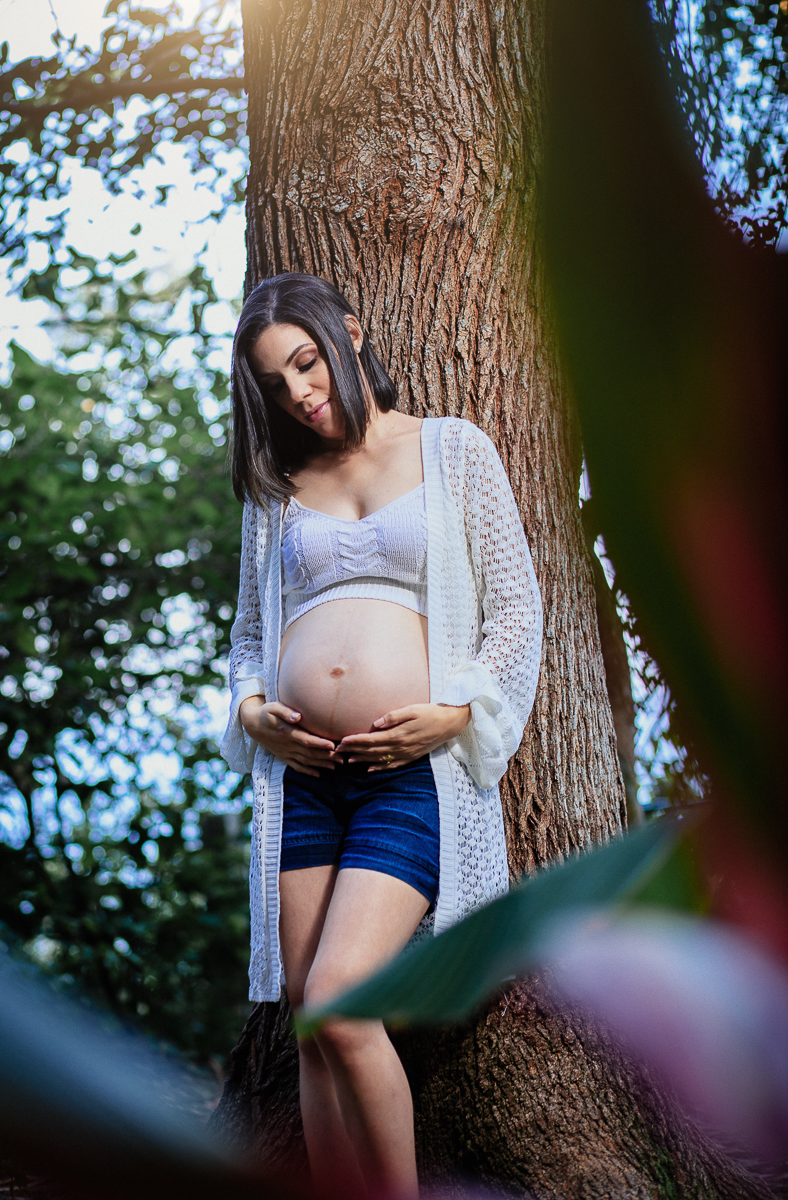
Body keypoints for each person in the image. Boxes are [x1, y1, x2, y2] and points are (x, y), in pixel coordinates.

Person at [220, 273, 543, 1200]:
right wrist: (251, 716)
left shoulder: (451, 450)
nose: (299, 394)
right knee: (307, 1014)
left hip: (415, 775)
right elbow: (249, 641)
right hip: (305, 780)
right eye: (275, 386)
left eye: (306, 363)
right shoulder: (278, 490)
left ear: (349, 336)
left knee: (341, 1004)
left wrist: (459, 713)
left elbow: (515, 612)